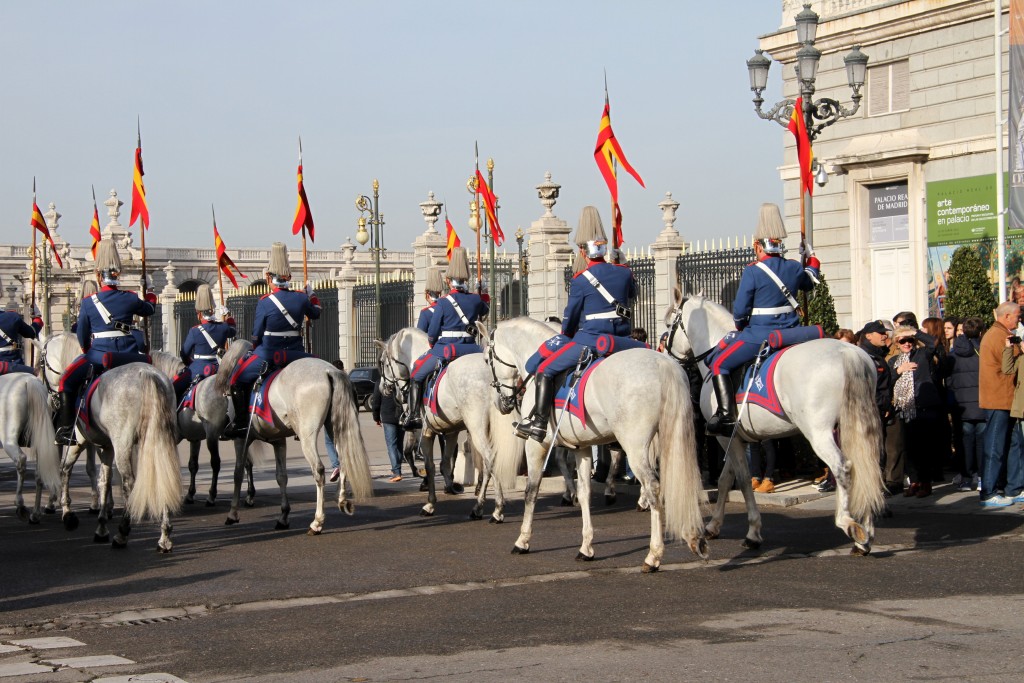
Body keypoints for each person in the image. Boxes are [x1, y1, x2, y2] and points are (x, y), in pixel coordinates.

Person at [514, 206, 638, 442]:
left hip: (591, 341)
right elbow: (633, 294)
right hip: (623, 340)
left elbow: (570, 319)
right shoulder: (623, 273)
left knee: (545, 370)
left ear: (582, 251)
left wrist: (568, 334)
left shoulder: (581, 280)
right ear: (605, 247)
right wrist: (623, 265)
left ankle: (539, 423)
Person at [705, 202, 820, 435]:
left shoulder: (753, 271)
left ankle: (726, 416)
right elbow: (810, 282)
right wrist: (812, 260)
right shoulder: (794, 267)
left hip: (760, 334)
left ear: (758, 246)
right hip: (792, 332)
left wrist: (740, 325)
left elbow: (740, 311)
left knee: (718, 363)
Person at [55, 238, 157, 445]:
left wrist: (87, 350)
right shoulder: (130, 297)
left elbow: (82, 334)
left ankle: (66, 430)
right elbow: (149, 310)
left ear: (98, 275)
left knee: (66, 381)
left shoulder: (88, 303)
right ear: (118, 275)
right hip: (130, 354)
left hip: (99, 354)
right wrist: (150, 294)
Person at [221, 242, 320, 439]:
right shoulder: (301, 298)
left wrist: (255, 347)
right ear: (289, 277)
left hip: (269, 353)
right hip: (297, 353)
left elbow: (257, 333)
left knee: (236, 379)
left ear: (269, 278)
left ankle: (240, 423)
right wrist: (312, 295)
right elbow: (316, 313)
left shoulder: (265, 302)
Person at [401, 246, 489, 430]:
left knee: (417, 374)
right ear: (467, 278)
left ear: (448, 281)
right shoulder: (475, 299)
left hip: (447, 349)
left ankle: (414, 415)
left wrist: (433, 343)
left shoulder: (443, 302)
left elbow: (432, 332)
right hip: (473, 348)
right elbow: (485, 311)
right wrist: (481, 293)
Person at [889, 324, 944, 498]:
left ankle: (925, 482)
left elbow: (932, 343)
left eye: (910, 340)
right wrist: (900, 370)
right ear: (896, 343)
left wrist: (915, 332)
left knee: (923, 447)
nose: (907, 343)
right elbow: (887, 380)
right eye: (902, 340)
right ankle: (914, 481)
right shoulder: (893, 361)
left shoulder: (922, 354)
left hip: (922, 407)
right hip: (903, 408)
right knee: (908, 448)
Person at [978, 301, 1024, 507]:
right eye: (1017, 316)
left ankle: (1014, 488)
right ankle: (988, 492)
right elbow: (1010, 367)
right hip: (998, 399)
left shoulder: (1000, 334)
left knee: (1014, 444)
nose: (1019, 319)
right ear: (1007, 316)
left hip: (1007, 400)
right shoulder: (997, 336)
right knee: (994, 446)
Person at [171, 283, 236, 405]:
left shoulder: (195, 331)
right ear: (212, 310)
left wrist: (190, 363)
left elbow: (184, 353)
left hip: (199, 368)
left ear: (199, 313)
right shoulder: (223, 327)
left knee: (172, 386)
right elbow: (233, 330)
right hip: (219, 369)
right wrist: (228, 316)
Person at [857, 320, 898, 493]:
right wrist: (882, 404)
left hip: (879, 409)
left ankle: (876, 487)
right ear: (868, 336)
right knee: (871, 452)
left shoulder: (877, 354)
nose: (884, 335)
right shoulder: (863, 357)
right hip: (869, 411)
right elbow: (866, 388)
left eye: (885, 332)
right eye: (880, 333)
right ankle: (871, 489)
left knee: (879, 451)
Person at [947, 316, 986, 492]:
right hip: (982, 403)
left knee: (964, 443)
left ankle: (966, 478)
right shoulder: (984, 350)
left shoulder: (954, 352)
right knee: (982, 443)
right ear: (981, 332)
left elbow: (947, 377)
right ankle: (982, 478)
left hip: (961, 404)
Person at [371, 379, 406, 482]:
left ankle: (396, 472)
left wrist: (376, 417)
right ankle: (397, 469)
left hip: (388, 417)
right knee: (399, 444)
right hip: (402, 416)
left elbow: (376, 402)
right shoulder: (401, 381)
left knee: (391, 445)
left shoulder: (380, 382)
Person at [0, 299, 43, 376]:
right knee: (35, 373)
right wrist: (37, 318)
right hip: (14, 362)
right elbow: (32, 333)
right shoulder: (12, 316)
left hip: (3, 366)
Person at [416, 267, 445, 333]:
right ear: (440, 293)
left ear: (427, 294)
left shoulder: (426, 313)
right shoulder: (447, 308)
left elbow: (420, 335)